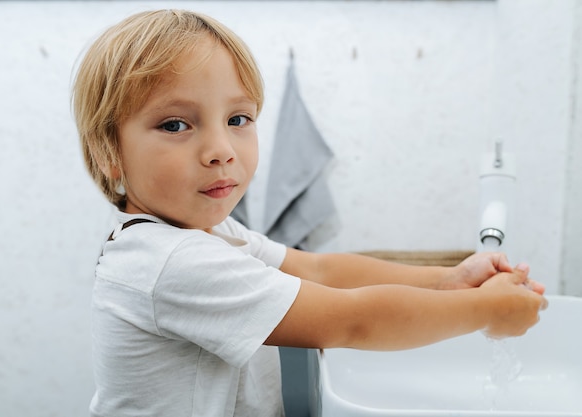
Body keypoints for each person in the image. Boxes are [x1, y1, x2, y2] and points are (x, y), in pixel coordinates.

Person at [72, 9, 547, 417]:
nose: (220, 149)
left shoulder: (210, 232)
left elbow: (321, 269)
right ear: (109, 151)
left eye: (238, 119)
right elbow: (350, 320)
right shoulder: (169, 261)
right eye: (176, 124)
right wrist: (486, 310)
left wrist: (447, 281)